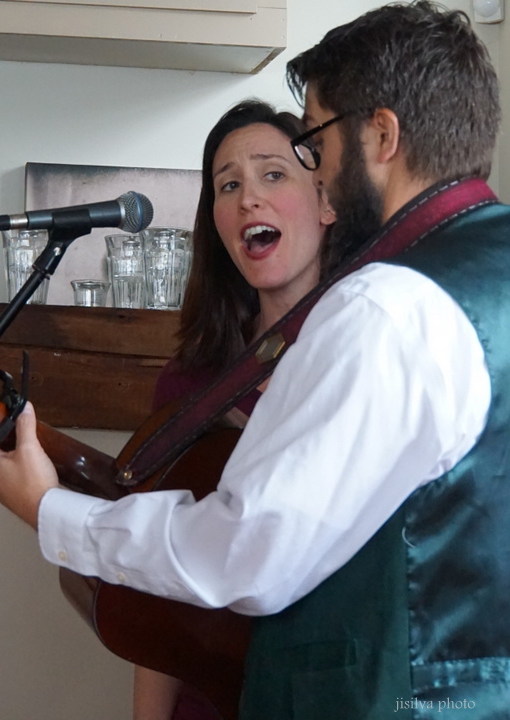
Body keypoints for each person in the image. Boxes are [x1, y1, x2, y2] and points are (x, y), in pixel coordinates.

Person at [0, 2, 509, 717]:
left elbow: (248, 551)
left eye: (317, 142)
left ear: (381, 136)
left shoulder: (382, 306)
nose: (319, 176)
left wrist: (51, 511)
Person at [134, 99, 336, 720]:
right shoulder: (188, 383)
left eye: (274, 174)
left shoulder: (365, 360)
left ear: (326, 201)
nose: (249, 198)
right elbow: (160, 585)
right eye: (228, 186)